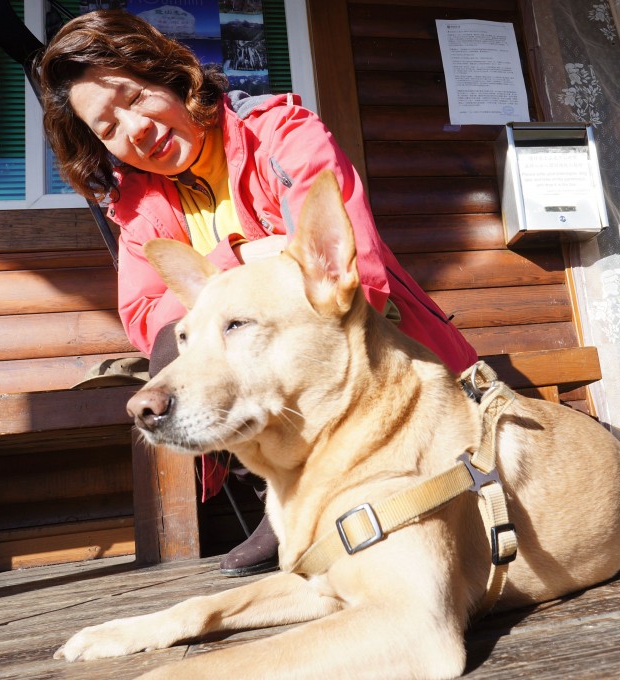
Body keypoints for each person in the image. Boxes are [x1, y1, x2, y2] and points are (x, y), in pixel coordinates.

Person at [39, 10, 478, 577]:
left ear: (170, 77)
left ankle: (312, 496)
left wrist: (230, 280)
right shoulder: (140, 207)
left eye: (136, 98)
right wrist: (242, 255)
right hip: (264, 395)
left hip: (375, 367)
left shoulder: (280, 137)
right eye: (108, 129)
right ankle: (284, 495)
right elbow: (148, 318)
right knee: (177, 345)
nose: (134, 128)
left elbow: (356, 273)